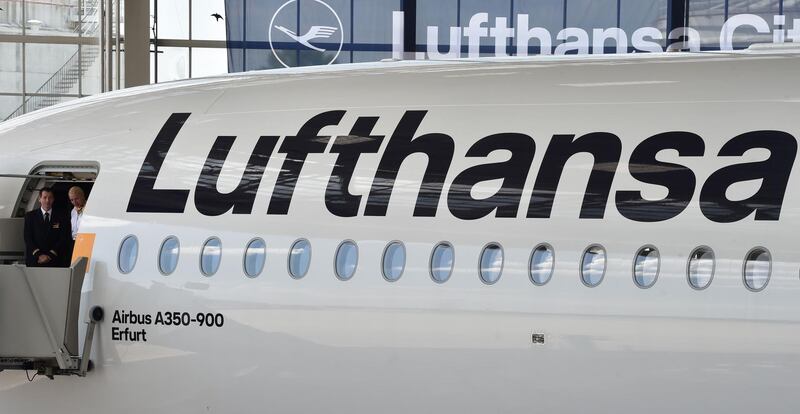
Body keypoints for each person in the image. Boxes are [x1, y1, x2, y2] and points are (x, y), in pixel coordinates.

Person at [23, 188, 70, 267]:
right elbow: (28, 237)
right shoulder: (30, 216)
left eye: (50, 197)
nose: (47, 200)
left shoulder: (62, 217)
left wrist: (50, 255)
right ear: (39, 199)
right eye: (45, 197)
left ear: (53, 199)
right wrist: (39, 255)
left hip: (55, 260)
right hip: (35, 260)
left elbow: (63, 238)